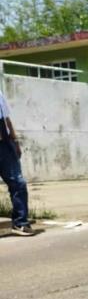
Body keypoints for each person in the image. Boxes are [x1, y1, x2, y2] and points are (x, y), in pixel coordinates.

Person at [0, 91, 34, 236]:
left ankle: (20, 223)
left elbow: (6, 118)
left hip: (5, 144)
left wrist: (15, 140)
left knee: (18, 183)